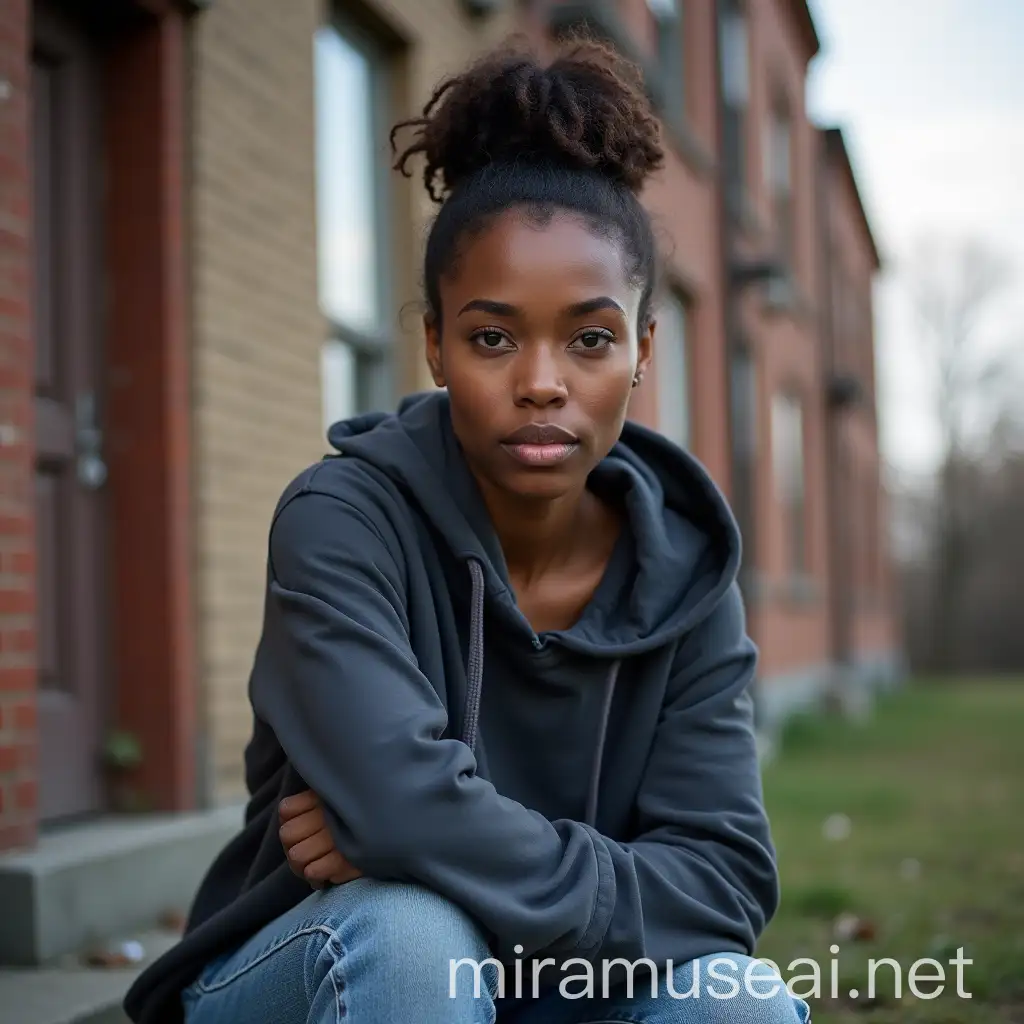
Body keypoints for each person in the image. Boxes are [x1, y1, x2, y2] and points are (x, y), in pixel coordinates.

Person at [124, 33, 810, 1024]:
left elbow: (726, 884)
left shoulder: (688, 573)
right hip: (324, 963)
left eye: (588, 337)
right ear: (436, 343)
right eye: (493, 336)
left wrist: (423, 836)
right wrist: (419, 842)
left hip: (552, 983)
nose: (540, 380)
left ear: (641, 349)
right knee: (415, 934)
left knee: (735, 999)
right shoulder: (342, 523)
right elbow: (408, 818)